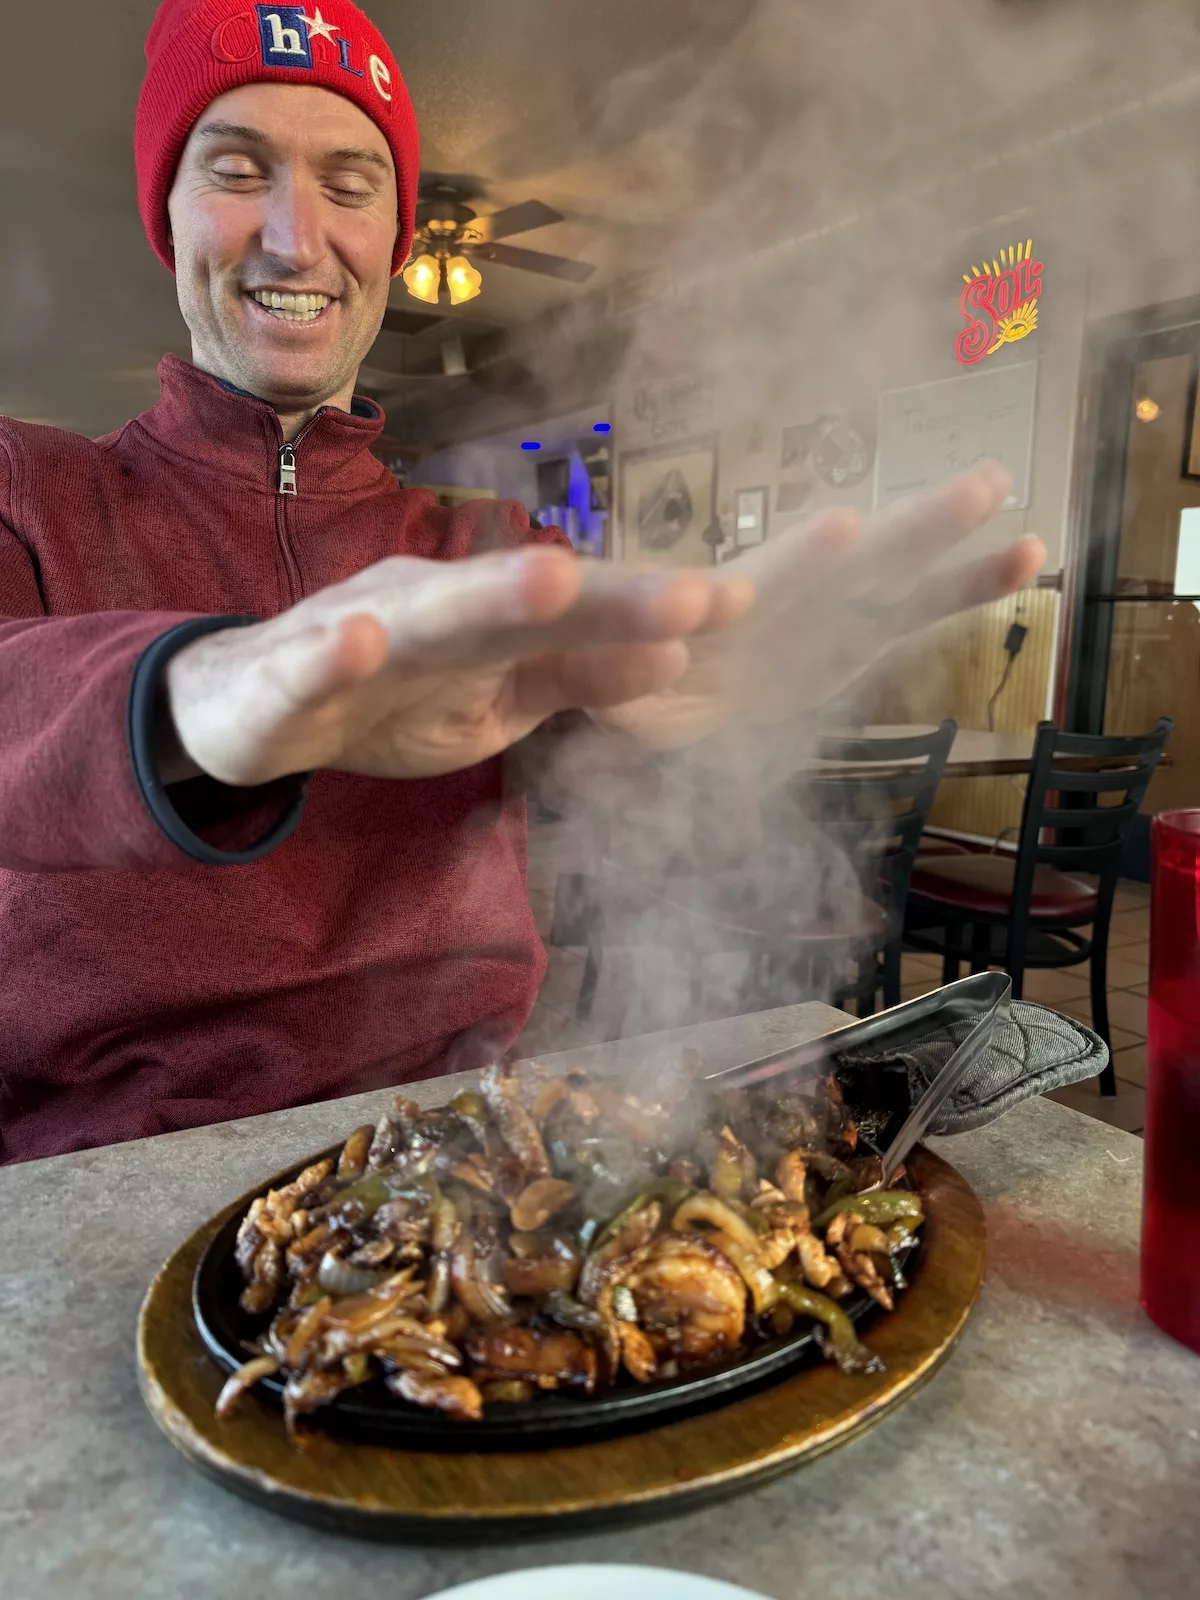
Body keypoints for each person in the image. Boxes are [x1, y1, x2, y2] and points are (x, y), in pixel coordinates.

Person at [0, 0, 1044, 1164]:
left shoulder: (493, 548)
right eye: (239, 171)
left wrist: (695, 717)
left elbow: (631, 796)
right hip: (96, 1166)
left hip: (460, 1143)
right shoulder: (29, 486)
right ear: (168, 211)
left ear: (397, 232)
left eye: (349, 184)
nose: (296, 236)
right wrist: (200, 693)